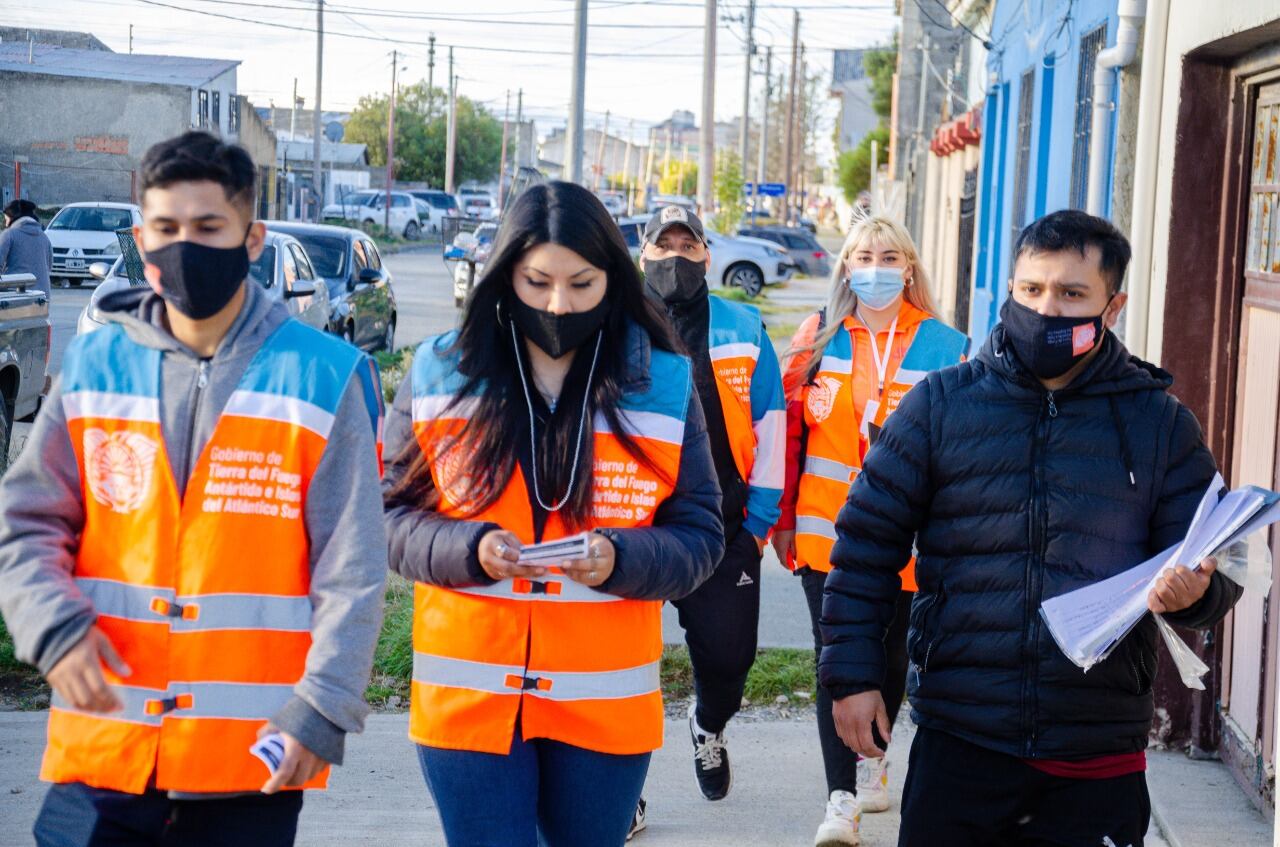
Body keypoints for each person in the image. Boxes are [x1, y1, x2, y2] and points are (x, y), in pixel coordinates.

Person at [0, 131, 388, 847]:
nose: (185, 246)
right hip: (102, 750)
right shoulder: (93, 365)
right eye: (166, 229)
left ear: (252, 237)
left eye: (209, 228)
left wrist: (324, 709)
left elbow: (355, 569)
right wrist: (53, 629)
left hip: (252, 760)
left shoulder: (326, 375)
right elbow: (25, 525)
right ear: (140, 236)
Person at [824, 209, 1243, 847]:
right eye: (1032, 289)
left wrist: (1200, 595)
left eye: (1072, 293)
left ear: (1113, 304)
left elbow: (1213, 560)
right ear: (1010, 288)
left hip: (1095, 750)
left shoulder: (1159, 423)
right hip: (961, 739)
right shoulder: (940, 406)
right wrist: (854, 678)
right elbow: (863, 548)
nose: (1047, 309)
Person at [382, 180, 724, 847]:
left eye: (582, 284)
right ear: (505, 272)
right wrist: (468, 548)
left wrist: (622, 558)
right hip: (470, 700)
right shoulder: (439, 372)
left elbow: (701, 534)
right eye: (537, 281)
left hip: (603, 704)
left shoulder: (662, 381)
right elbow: (388, 515)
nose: (558, 303)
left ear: (615, 281)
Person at [771, 215, 967, 846]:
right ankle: (842, 801)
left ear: (908, 267)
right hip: (825, 535)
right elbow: (787, 438)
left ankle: (873, 759)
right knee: (839, 663)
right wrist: (777, 525)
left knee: (888, 661)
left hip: (908, 541)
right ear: (846, 267)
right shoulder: (816, 338)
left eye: (888, 255)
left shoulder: (949, 345)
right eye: (862, 255)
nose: (875, 265)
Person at [635, 205, 785, 817]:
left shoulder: (744, 329)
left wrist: (757, 525)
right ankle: (623, 797)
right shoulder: (613, 327)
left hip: (722, 531)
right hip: (635, 531)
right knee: (621, 674)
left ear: (707, 254)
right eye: (663, 245)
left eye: (687, 244)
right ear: (643, 256)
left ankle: (707, 725)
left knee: (729, 660)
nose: (675, 256)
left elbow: (772, 427)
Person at [0, 198, 54, 295]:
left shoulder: (9, 235)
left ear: (12, 217)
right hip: (42, 297)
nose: (5, 223)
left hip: (14, 297)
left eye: (6, 219)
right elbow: (49, 266)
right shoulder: (44, 237)